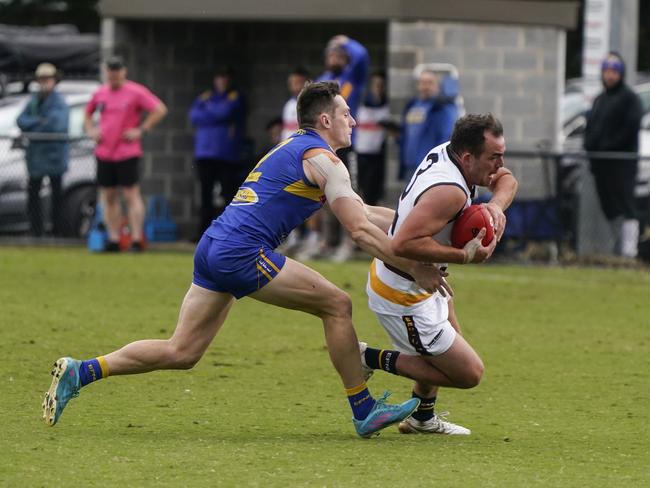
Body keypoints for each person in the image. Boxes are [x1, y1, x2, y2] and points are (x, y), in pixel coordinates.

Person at [42, 81, 453, 438]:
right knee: (338, 304)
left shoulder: (297, 148)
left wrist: (418, 222)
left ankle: (83, 370)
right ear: (325, 120)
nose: (353, 120)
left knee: (182, 351)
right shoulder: (326, 161)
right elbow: (360, 231)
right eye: (346, 113)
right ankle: (364, 409)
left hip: (214, 246)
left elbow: (362, 211)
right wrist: (416, 267)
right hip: (241, 252)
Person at [361, 114, 518, 435]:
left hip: (424, 283)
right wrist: (463, 256)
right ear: (469, 157)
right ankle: (366, 357)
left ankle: (421, 419)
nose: (499, 164)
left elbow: (508, 180)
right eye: (494, 157)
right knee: (468, 373)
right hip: (402, 294)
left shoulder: (452, 152)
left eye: (501, 155)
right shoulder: (451, 191)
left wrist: (496, 208)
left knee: (446, 350)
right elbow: (404, 242)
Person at [84, 56, 167, 252]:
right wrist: (91, 131)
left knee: (131, 194)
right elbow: (87, 113)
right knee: (109, 196)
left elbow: (159, 109)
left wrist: (141, 130)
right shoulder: (100, 93)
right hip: (105, 152)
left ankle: (137, 238)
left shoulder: (135, 91)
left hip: (126, 152)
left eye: (117, 71)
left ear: (124, 71)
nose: (113, 75)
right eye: (110, 71)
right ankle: (114, 238)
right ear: (106, 72)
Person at [584, 52, 643, 258]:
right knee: (609, 207)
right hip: (602, 165)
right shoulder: (600, 99)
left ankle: (629, 251)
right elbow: (591, 127)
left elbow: (629, 129)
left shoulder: (630, 99)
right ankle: (615, 247)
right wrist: (590, 147)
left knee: (626, 205)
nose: (609, 76)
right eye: (606, 71)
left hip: (622, 163)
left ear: (621, 74)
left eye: (613, 72)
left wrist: (608, 148)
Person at [317, 35, 370, 262]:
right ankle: (327, 242)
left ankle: (352, 241)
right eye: (332, 54)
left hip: (347, 145)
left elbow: (362, 56)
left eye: (340, 55)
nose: (335, 58)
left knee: (351, 193)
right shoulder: (322, 82)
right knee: (323, 194)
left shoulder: (351, 78)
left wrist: (346, 41)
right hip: (324, 146)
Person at [190, 67, 247, 237]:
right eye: (219, 78)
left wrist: (209, 111)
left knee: (229, 194)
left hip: (226, 154)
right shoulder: (206, 96)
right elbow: (194, 116)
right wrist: (216, 114)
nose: (221, 81)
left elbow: (225, 112)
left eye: (225, 78)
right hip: (205, 153)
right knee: (205, 195)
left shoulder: (236, 97)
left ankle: (230, 232)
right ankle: (203, 231)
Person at [16, 63, 69, 237]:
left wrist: (33, 126)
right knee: (33, 194)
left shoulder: (59, 102)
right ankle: (36, 230)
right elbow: (21, 120)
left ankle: (58, 231)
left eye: (48, 79)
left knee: (57, 196)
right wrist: (39, 121)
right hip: (35, 157)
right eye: (42, 79)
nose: (44, 83)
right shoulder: (34, 100)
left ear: (55, 80)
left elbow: (55, 126)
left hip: (54, 156)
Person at [400, 69, 459, 182]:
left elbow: (447, 136)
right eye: (422, 83)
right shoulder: (412, 105)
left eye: (430, 83)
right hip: (410, 164)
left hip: (429, 165)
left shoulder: (442, 107)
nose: (425, 86)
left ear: (437, 86)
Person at [355, 71, 390, 206]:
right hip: (359, 153)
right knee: (357, 190)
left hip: (377, 156)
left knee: (372, 194)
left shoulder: (387, 106)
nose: (378, 88)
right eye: (376, 85)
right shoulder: (361, 103)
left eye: (381, 85)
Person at [281, 67, 310, 141]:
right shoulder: (289, 104)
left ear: (306, 83)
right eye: (291, 83)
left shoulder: (312, 103)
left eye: (297, 82)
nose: (294, 86)